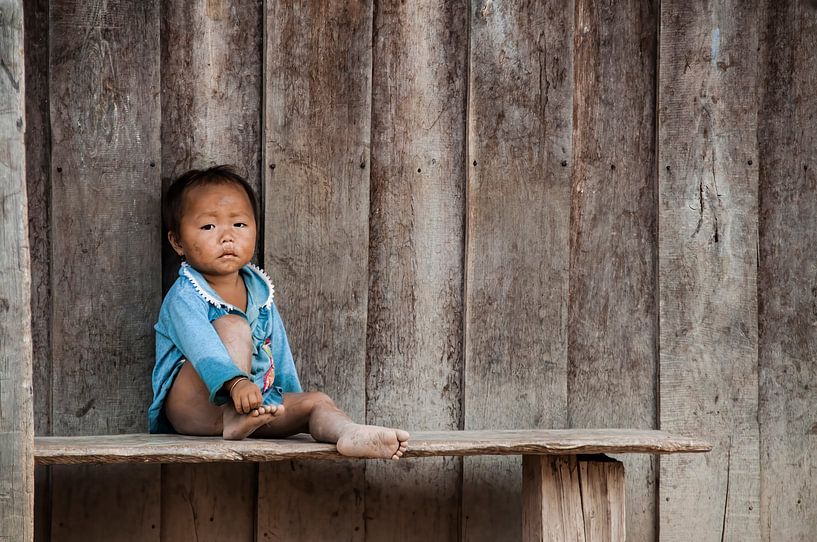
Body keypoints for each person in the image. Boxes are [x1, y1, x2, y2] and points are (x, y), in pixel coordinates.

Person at [148, 165, 409, 459]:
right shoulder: (185, 295)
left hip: (250, 406)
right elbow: (201, 346)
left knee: (316, 402)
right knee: (234, 326)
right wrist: (236, 384)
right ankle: (233, 414)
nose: (227, 237)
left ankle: (347, 433)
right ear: (177, 242)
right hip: (194, 408)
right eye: (209, 227)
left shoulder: (259, 293)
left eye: (240, 225)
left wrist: (286, 399)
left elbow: (278, 352)